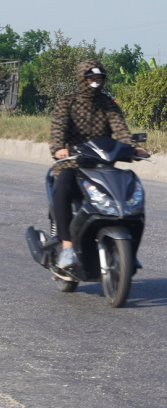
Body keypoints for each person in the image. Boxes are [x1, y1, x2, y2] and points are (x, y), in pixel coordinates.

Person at [49, 59, 149, 269]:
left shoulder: (107, 104)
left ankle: (129, 250)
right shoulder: (68, 102)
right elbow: (59, 127)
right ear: (82, 78)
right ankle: (67, 247)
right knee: (63, 186)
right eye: (91, 77)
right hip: (73, 164)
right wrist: (59, 147)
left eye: (99, 78)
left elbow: (120, 129)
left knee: (130, 189)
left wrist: (133, 148)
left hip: (103, 165)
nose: (96, 82)